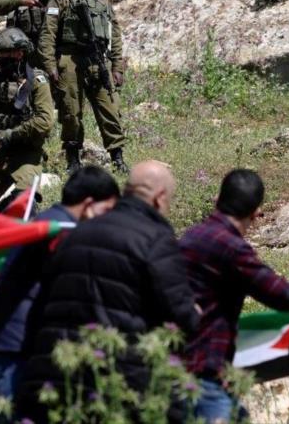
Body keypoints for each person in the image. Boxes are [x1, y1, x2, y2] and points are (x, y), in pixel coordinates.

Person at [16, 161, 199, 422]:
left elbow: (42, 304)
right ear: (159, 198)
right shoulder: (155, 239)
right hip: (119, 379)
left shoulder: (74, 233)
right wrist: (194, 313)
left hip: (56, 374)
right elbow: (180, 315)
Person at [179, 169, 289, 423]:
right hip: (204, 372)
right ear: (257, 212)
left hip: (178, 361)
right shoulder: (232, 248)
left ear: (217, 199)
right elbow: (286, 297)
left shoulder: (191, 236)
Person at [0, 166, 120, 407]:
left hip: (7, 343)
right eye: (106, 210)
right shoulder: (60, 232)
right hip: (17, 350)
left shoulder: (46, 222)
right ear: (88, 204)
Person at [39, 0, 127, 174]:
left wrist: (117, 66)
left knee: (109, 108)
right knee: (71, 111)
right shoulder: (60, 0)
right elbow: (47, 36)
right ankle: (72, 157)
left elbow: (114, 33)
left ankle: (117, 157)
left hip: (98, 58)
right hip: (69, 59)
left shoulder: (102, 0)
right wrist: (51, 66)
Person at [0, 27, 54, 210]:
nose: (1, 58)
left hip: (27, 154)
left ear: (20, 53)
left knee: (23, 203)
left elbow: (44, 121)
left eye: (6, 53)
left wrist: (9, 135)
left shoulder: (37, 82)